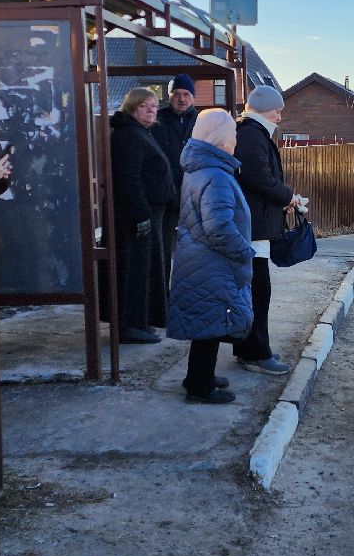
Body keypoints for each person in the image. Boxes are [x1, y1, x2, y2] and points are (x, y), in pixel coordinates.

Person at [167, 109, 254, 404]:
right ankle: (199, 387)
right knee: (211, 322)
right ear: (218, 137)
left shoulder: (200, 169)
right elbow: (219, 227)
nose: (235, 140)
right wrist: (244, 251)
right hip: (212, 262)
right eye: (231, 134)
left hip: (199, 259)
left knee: (208, 321)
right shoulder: (216, 176)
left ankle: (198, 375)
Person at [231, 84, 304, 376]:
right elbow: (257, 176)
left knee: (255, 291)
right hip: (253, 229)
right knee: (258, 292)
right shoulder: (251, 134)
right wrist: (287, 197)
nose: (280, 117)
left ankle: (249, 349)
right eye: (277, 111)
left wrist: (283, 200)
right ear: (263, 108)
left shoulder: (252, 132)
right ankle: (256, 353)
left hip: (256, 225)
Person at [109, 88, 176, 344]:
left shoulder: (140, 133)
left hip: (150, 213)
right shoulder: (128, 136)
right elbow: (128, 179)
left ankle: (141, 321)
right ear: (132, 108)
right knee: (133, 271)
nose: (151, 110)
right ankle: (129, 325)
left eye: (153, 106)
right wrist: (140, 215)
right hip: (136, 217)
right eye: (144, 106)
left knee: (145, 270)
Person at [150, 74, 198, 296]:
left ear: (193, 97)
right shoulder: (156, 121)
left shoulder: (202, 121)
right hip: (165, 196)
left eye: (186, 94)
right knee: (161, 248)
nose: (181, 99)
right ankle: (163, 298)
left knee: (195, 250)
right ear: (168, 96)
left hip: (194, 196)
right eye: (176, 94)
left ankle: (190, 294)